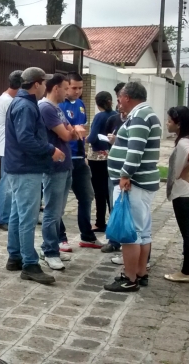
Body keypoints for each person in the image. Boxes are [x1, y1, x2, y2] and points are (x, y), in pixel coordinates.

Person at [3, 67, 64, 284]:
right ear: (36, 84)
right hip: (25, 168)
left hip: (20, 166)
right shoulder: (26, 106)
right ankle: (29, 263)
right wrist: (50, 150)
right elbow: (26, 139)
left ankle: (15, 256)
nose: (46, 87)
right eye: (44, 83)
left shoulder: (23, 103)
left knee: (18, 215)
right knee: (27, 218)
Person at [104, 82, 161, 292]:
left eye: (119, 97)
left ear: (126, 96)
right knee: (143, 231)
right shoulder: (145, 114)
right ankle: (140, 272)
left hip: (134, 183)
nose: (118, 102)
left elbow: (135, 151)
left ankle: (129, 278)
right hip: (142, 182)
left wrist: (125, 174)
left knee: (131, 232)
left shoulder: (139, 117)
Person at [38, 74, 77, 270]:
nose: (68, 92)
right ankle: (49, 251)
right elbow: (67, 134)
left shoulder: (58, 108)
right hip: (54, 167)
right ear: (55, 89)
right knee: (52, 211)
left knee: (59, 211)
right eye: (65, 88)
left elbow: (73, 131)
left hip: (65, 165)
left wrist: (73, 131)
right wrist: (73, 132)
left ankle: (52, 246)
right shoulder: (45, 108)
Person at [60, 73, 102, 249]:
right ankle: (59, 237)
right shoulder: (58, 105)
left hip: (79, 159)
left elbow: (82, 131)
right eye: (74, 88)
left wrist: (84, 154)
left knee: (87, 196)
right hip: (63, 159)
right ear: (65, 87)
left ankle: (87, 235)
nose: (77, 91)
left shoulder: (81, 105)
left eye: (80, 88)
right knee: (58, 201)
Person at [163, 106, 189, 283]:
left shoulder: (183, 143)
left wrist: (183, 171)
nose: (167, 123)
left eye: (169, 120)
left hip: (186, 196)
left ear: (178, 123)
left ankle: (186, 272)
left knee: (188, 235)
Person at [0, 71, 23, 231]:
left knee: (10, 184)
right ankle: (2, 218)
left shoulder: (8, 99)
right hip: (6, 148)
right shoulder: (8, 101)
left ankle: (6, 216)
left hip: (7, 147)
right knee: (7, 184)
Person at [102, 82, 127, 255]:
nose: (119, 104)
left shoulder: (137, 120)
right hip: (114, 168)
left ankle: (127, 243)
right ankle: (114, 240)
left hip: (128, 171)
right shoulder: (113, 119)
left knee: (128, 208)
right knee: (114, 204)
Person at [87, 91, 115, 233]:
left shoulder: (99, 116)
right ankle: (114, 220)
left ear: (97, 104)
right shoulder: (115, 115)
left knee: (99, 191)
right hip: (111, 156)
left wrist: (84, 138)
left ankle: (99, 222)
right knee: (110, 190)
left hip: (97, 157)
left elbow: (92, 138)